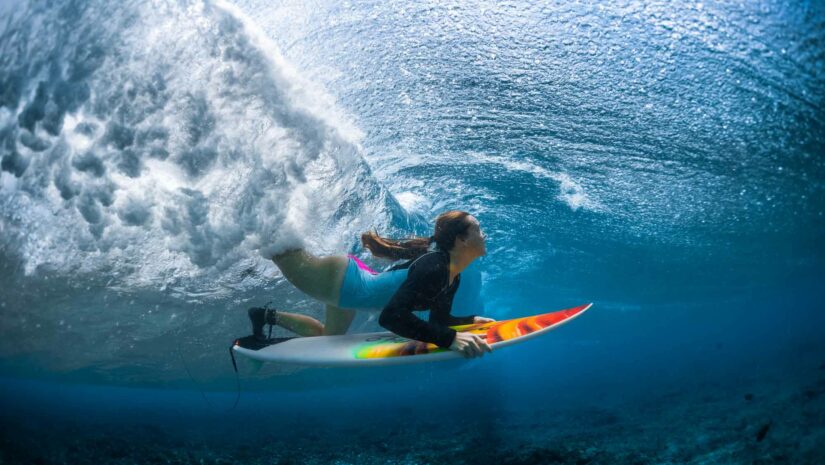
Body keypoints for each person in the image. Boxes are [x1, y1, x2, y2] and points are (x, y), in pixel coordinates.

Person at [250, 210, 495, 358]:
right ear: (461, 240)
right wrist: (449, 340)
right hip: (342, 282)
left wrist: (469, 321)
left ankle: (264, 316)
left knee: (326, 337)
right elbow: (391, 317)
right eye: (479, 230)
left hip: (354, 288)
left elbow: (438, 323)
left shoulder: (452, 275)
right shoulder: (435, 266)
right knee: (278, 246)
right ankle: (257, 213)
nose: (484, 235)